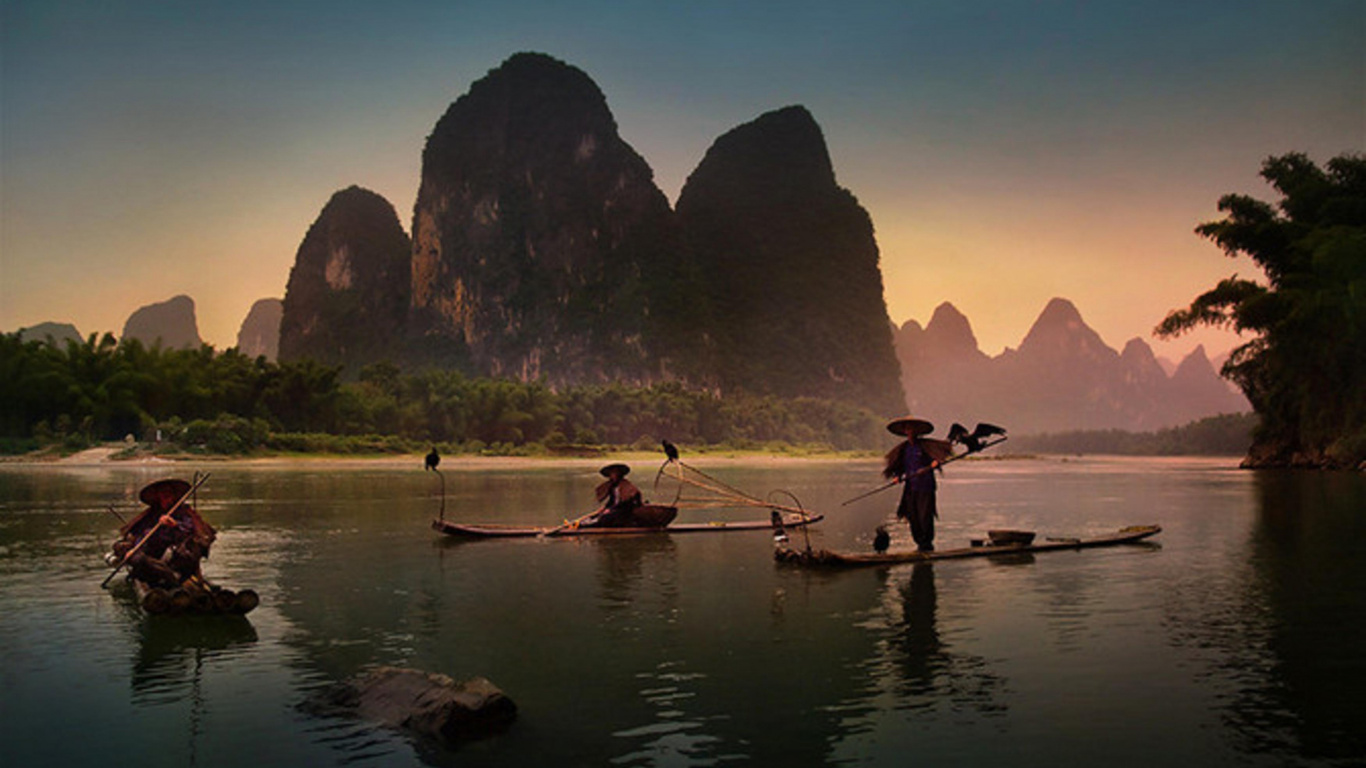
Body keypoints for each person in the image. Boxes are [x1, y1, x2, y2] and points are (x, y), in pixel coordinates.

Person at [112, 479, 217, 588]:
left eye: (168, 493)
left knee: (186, 554)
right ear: (158, 497)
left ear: (174, 495)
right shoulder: (151, 514)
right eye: (162, 494)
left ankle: (172, 576)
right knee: (137, 558)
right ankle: (168, 575)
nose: (166, 497)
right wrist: (133, 550)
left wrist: (174, 525)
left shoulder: (184, 512)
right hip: (153, 558)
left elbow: (191, 532)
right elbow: (141, 535)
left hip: (177, 558)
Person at [883, 416, 953, 552]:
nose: (910, 431)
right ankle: (919, 544)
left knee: (924, 515)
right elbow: (899, 467)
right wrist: (897, 477)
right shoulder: (903, 449)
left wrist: (934, 464)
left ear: (917, 431)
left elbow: (936, 459)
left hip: (925, 486)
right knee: (912, 516)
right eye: (907, 428)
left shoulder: (926, 446)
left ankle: (927, 545)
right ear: (904, 431)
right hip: (910, 487)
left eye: (912, 428)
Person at [582, 463, 644, 528]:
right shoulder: (613, 487)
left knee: (606, 517)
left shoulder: (627, 487)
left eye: (614, 473)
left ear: (619, 474)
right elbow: (612, 500)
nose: (612, 476)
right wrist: (605, 508)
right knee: (595, 516)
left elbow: (625, 504)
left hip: (625, 511)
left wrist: (611, 509)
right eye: (611, 474)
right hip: (615, 509)